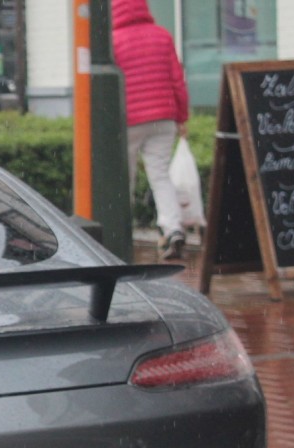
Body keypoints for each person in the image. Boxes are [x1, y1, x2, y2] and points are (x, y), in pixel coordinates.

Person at [112, 0, 190, 260]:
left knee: (126, 179)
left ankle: (122, 233)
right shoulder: (162, 36)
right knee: (160, 175)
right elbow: (177, 80)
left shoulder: (114, 40)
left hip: (130, 120)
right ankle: (172, 228)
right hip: (163, 117)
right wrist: (182, 116)